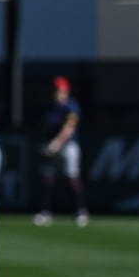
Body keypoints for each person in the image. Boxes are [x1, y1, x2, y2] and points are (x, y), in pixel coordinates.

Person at [35, 76, 88, 227]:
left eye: (59, 90)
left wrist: (56, 144)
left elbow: (69, 128)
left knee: (71, 178)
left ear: (66, 91)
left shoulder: (71, 106)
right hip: (50, 146)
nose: (56, 92)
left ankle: (81, 211)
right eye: (55, 89)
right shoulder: (50, 107)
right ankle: (44, 212)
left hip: (68, 146)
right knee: (47, 178)